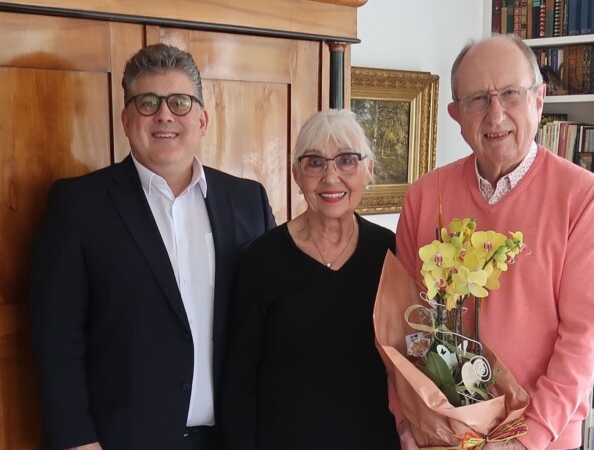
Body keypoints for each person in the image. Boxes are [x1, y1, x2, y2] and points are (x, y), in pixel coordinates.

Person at [29, 43, 276, 450]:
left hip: (232, 437)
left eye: (180, 102)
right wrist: (76, 440)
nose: (165, 115)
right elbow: (56, 337)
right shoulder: (78, 205)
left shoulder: (247, 199)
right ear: (127, 120)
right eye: (148, 103)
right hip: (120, 438)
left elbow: (266, 322)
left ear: (202, 119)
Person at [394, 35, 594, 450]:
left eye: (510, 94)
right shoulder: (425, 197)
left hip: (541, 439)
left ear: (539, 99)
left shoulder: (581, 197)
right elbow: (403, 324)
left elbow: (583, 337)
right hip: (439, 433)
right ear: (456, 114)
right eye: (478, 99)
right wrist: (407, 418)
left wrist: (525, 439)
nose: (495, 116)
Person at [221, 109, 400, 450]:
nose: (331, 177)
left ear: (369, 171)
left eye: (347, 160)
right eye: (315, 163)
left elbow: (406, 363)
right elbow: (238, 380)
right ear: (296, 176)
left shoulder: (389, 251)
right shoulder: (261, 259)